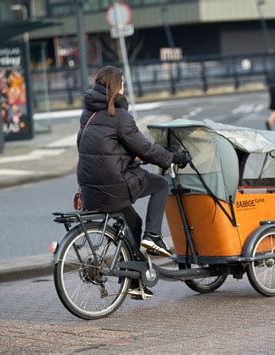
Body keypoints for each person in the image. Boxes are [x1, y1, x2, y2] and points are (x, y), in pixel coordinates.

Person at [76, 66, 189, 297]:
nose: (124, 88)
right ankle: (154, 236)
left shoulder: (88, 115)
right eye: (123, 85)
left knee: (132, 224)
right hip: (116, 184)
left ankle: (132, 282)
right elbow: (145, 148)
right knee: (161, 184)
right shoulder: (119, 116)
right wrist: (172, 158)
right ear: (117, 88)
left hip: (90, 187)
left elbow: (95, 147)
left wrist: (126, 157)